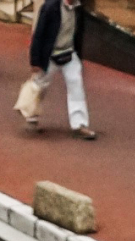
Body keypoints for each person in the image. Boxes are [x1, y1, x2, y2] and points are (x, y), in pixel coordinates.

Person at [20, 0, 94, 138]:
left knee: (76, 85)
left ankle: (79, 124)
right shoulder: (50, 7)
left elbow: (79, 32)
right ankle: (31, 117)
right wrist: (35, 60)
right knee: (40, 86)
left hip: (69, 53)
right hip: (50, 54)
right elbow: (39, 33)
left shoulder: (78, 9)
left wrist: (78, 54)